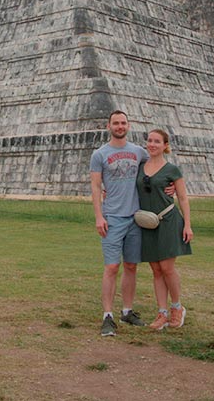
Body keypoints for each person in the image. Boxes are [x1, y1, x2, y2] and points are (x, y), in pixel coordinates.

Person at [90, 110, 149, 336]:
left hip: (135, 217)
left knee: (132, 266)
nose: (120, 126)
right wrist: (99, 216)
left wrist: (171, 186)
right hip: (112, 217)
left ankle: (127, 310)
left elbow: (155, 169)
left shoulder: (138, 152)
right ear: (109, 126)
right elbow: (96, 186)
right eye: (116, 123)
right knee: (112, 267)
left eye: (123, 123)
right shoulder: (100, 154)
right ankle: (108, 315)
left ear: (128, 125)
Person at [136, 128, 193, 330]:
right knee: (156, 270)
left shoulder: (172, 170)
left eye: (157, 141)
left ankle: (177, 307)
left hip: (168, 221)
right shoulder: (140, 167)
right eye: (150, 140)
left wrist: (187, 224)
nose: (152, 144)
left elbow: (183, 198)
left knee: (167, 268)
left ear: (165, 145)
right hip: (147, 223)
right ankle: (162, 313)